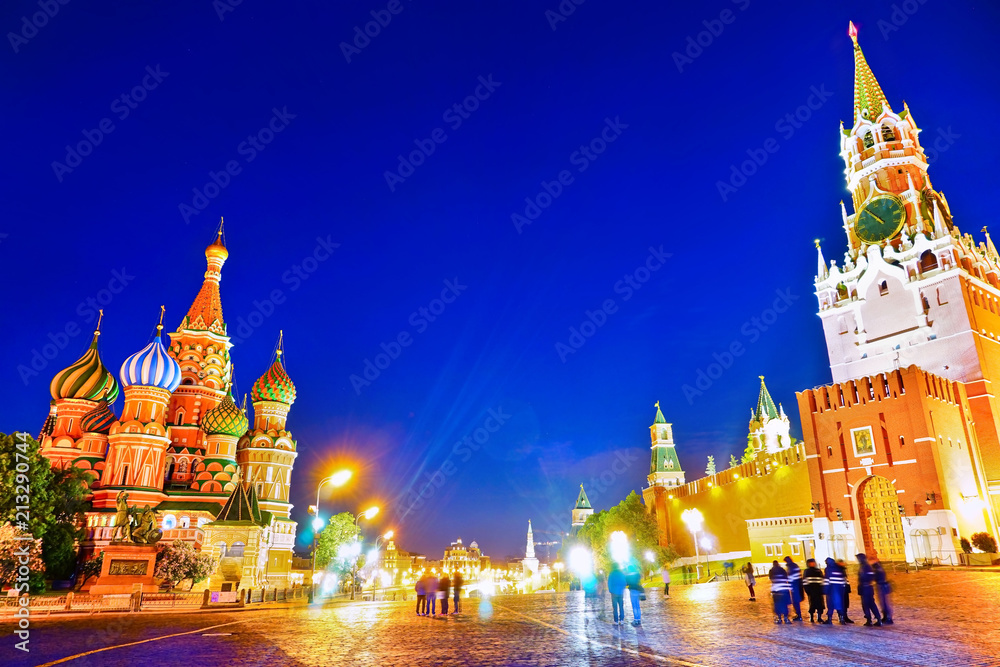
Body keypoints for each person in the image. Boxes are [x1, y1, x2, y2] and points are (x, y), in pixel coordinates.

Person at [855, 554, 882, 627]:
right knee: (871, 604)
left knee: (866, 605)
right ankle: (877, 618)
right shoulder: (865, 566)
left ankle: (870, 620)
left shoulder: (865, 567)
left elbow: (868, 577)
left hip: (865, 588)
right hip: (867, 588)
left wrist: (864, 581)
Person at [823, 557, 850, 624]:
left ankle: (829, 619)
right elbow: (844, 580)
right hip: (840, 589)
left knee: (830, 605)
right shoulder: (839, 568)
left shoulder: (828, 569)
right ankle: (842, 618)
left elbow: (826, 580)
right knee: (840, 604)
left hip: (831, 589)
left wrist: (825, 590)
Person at [802, 558, 826, 623]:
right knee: (812, 604)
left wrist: (822, 589)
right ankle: (811, 617)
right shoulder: (807, 571)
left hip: (818, 590)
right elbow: (804, 582)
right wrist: (807, 590)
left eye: (813, 562)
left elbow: (822, 580)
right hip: (811, 591)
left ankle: (819, 617)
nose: (812, 564)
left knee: (820, 605)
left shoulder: (818, 571)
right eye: (811, 563)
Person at [872, 558, 893, 624]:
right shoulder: (880, 569)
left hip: (881, 586)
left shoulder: (877, 570)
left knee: (884, 603)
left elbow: (876, 578)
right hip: (882, 586)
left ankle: (888, 618)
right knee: (883, 603)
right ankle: (886, 617)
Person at [783, 556, 803, 621]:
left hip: (794, 585)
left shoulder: (790, 567)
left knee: (795, 601)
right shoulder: (795, 565)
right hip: (797, 584)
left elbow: (790, 577)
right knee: (796, 600)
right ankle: (798, 615)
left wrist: (790, 586)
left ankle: (799, 615)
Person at [837, 559, 856, 624]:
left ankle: (845, 616)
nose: (843, 563)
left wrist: (848, 588)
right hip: (840, 590)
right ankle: (841, 617)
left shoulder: (843, 569)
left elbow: (846, 580)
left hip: (845, 589)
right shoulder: (838, 570)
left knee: (845, 604)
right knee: (841, 603)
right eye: (841, 562)